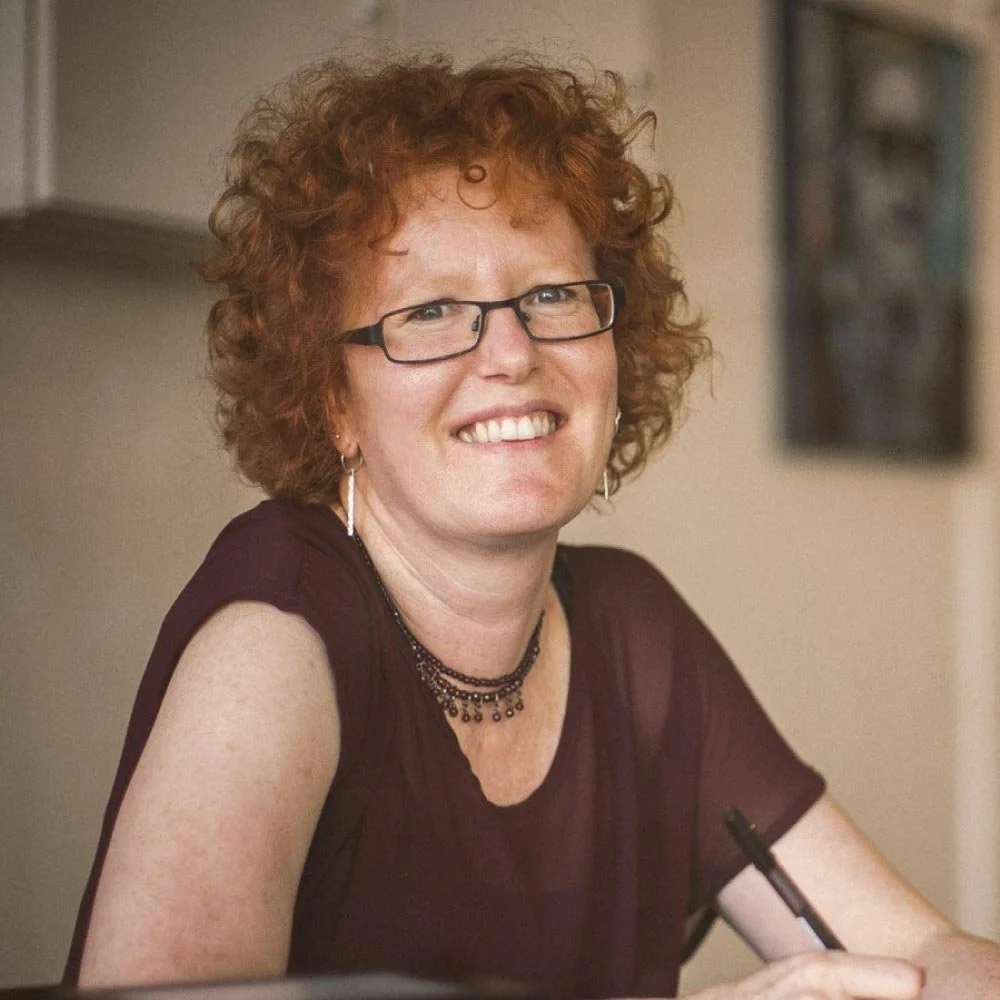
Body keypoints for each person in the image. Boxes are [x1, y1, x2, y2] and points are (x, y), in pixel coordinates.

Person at [65, 53, 998, 998]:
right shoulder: (282, 622)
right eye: (429, 311)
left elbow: (923, 951)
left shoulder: (635, 630)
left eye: (552, 295)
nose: (510, 354)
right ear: (330, 402)